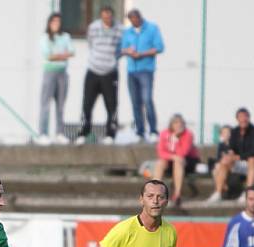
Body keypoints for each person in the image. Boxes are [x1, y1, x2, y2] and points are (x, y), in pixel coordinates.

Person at [76, 5, 122, 146]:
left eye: (108, 17)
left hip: (110, 72)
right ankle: (84, 132)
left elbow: (120, 48)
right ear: (101, 16)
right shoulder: (93, 27)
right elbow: (90, 44)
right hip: (93, 71)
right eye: (104, 17)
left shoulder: (120, 29)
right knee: (87, 103)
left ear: (112, 16)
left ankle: (110, 133)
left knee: (111, 105)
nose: (106, 19)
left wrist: (112, 60)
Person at [120, 9, 164, 143]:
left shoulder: (152, 29)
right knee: (135, 102)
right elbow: (121, 49)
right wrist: (128, 51)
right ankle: (140, 130)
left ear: (140, 18)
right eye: (131, 20)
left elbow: (159, 47)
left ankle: (153, 130)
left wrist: (142, 54)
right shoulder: (127, 32)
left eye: (136, 19)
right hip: (131, 71)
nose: (134, 22)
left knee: (147, 99)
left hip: (146, 70)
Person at [208, 108, 254, 202]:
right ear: (237, 119)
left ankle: (247, 193)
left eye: (245, 117)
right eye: (240, 117)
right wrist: (230, 156)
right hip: (241, 162)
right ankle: (218, 193)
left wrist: (238, 157)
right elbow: (232, 148)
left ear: (249, 118)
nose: (243, 119)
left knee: (252, 160)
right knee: (224, 161)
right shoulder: (234, 132)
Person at [36, 13, 75, 145]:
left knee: (61, 105)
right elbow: (48, 56)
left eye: (58, 21)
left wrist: (58, 55)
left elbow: (72, 52)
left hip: (62, 73)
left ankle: (59, 133)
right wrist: (62, 55)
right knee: (45, 104)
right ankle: (42, 133)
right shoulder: (45, 37)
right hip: (49, 72)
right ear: (49, 23)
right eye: (54, 22)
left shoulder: (65, 37)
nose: (56, 24)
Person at [152, 113, 200, 205]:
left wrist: (176, 139)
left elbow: (183, 153)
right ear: (171, 124)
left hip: (188, 161)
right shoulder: (164, 133)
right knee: (160, 163)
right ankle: (155, 192)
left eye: (181, 123)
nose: (179, 125)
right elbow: (161, 152)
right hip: (171, 159)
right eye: (176, 123)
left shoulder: (188, 134)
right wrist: (172, 156)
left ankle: (177, 194)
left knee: (178, 161)